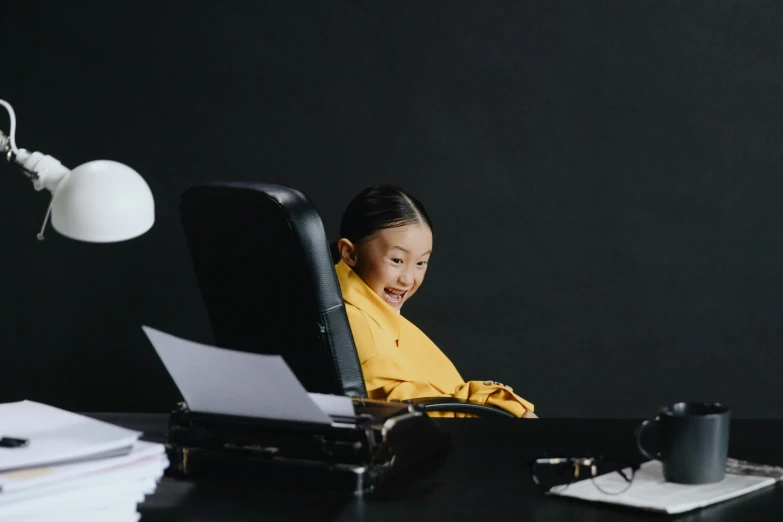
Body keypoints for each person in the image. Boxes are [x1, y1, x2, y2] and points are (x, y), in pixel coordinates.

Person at [334, 185, 537, 418]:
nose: (408, 279)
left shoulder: (363, 307)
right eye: (397, 260)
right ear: (349, 253)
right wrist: (498, 405)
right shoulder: (357, 324)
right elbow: (399, 402)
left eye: (421, 263)